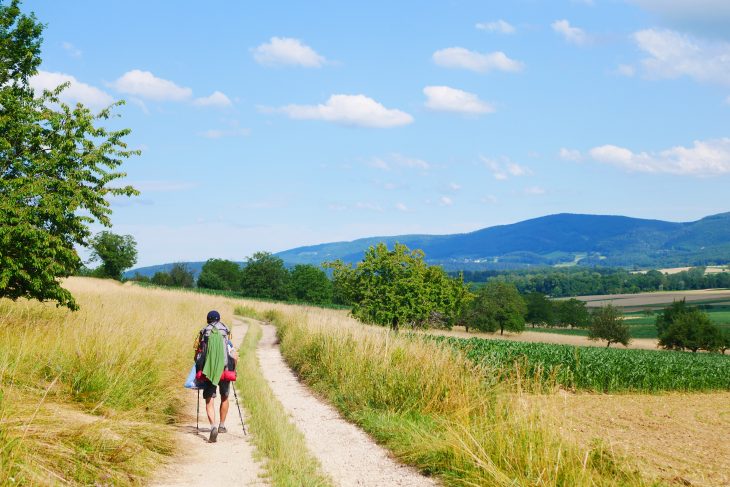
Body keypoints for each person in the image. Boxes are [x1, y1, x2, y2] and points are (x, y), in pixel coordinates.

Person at [194, 310, 238, 443]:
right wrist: (233, 369)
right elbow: (234, 356)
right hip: (225, 371)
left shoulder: (203, 333)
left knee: (209, 400)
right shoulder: (226, 334)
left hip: (209, 372)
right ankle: (222, 425)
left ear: (208, 320)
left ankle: (213, 425)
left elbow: (197, 356)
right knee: (224, 397)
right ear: (219, 320)